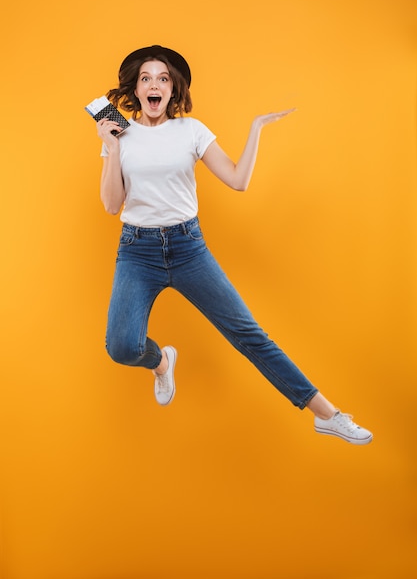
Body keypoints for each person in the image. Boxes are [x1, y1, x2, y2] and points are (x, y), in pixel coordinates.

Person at [96, 44, 372, 445]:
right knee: (121, 346)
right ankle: (161, 363)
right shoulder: (119, 133)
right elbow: (110, 204)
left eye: (163, 78)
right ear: (136, 90)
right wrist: (113, 147)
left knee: (250, 335)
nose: (154, 85)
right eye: (146, 78)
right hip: (137, 250)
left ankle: (327, 414)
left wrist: (256, 128)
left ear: (173, 90)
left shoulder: (191, 130)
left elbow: (238, 180)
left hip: (187, 247)